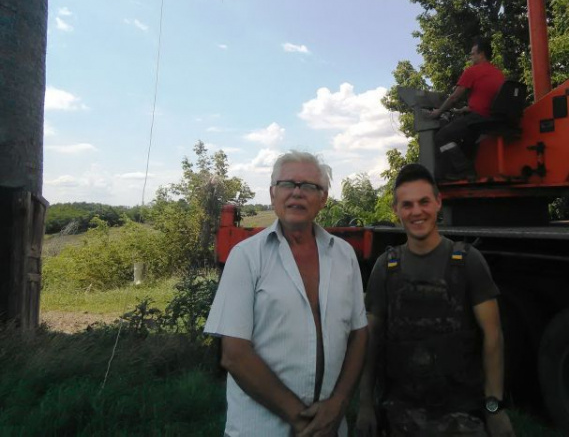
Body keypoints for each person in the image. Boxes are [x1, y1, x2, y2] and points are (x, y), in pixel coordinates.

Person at [204, 150, 368, 436]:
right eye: (287, 184)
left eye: (308, 186)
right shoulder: (246, 256)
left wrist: (339, 403)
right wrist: (303, 421)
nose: (296, 193)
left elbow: (358, 334)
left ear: (323, 198)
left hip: (332, 426)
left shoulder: (344, 255)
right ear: (272, 193)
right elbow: (234, 355)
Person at [356, 163, 515, 437]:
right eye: (407, 204)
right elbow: (371, 339)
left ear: (438, 203)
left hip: (463, 417)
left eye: (424, 202)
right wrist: (365, 404)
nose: (416, 211)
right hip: (399, 417)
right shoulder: (386, 267)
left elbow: (493, 337)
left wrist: (494, 408)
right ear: (396, 210)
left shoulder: (467, 262)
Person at [428, 37, 506, 180]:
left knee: (441, 137)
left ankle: (464, 170)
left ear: (481, 54)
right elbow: (489, 99)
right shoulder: (498, 74)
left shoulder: (472, 71)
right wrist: (466, 109)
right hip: (490, 118)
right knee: (467, 137)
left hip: (477, 118)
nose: (470, 57)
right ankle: (466, 170)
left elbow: (454, 97)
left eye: (472, 54)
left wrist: (439, 111)